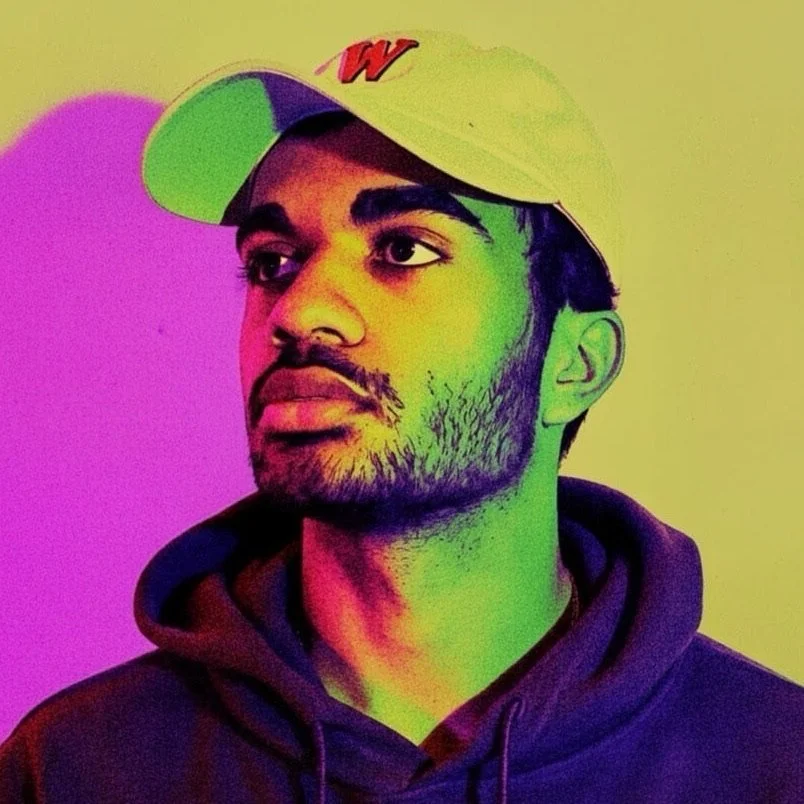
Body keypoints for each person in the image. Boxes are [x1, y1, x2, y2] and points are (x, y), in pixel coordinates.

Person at [1, 29, 801, 804]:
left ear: (574, 364)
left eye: (403, 250)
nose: (299, 311)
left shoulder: (772, 764)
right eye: (272, 262)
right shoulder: (76, 769)